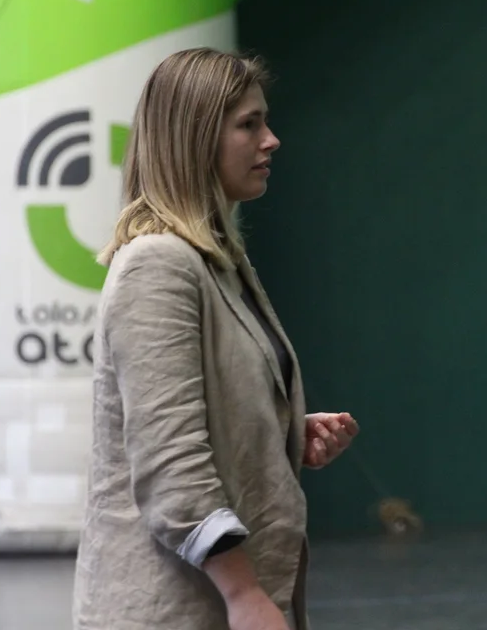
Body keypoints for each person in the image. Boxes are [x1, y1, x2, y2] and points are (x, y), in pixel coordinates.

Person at [72, 47, 359, 630]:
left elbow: (205, 407)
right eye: (249, 125)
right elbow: (169, 460)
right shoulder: (158, 264)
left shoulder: (216, 259)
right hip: (172, 611)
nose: (271, 140)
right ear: (196, 139)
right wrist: (244, 593)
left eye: (265, 121)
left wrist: (278, 429)